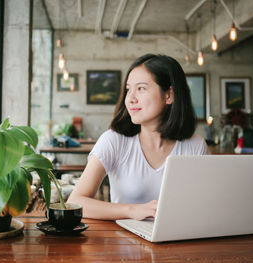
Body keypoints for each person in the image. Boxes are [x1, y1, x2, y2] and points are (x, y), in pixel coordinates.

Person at [68, 54, 209, 220]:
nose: (130, 99)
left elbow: (206, 206)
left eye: (141, 88)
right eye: (128, 89)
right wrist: (132, 211)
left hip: (178, 241)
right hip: (123, 243)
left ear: (169, 95)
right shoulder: (113, 141)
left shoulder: (196, 145)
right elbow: (76, 201)